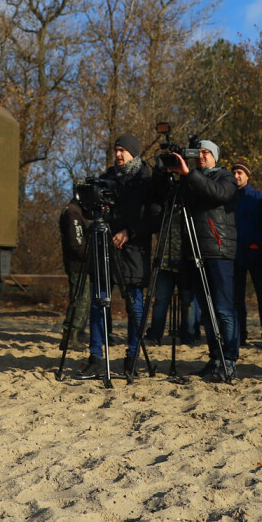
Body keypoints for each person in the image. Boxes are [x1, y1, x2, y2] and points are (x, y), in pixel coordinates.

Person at [77, 133, 159, 380]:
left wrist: (130, 231)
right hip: (105, 248)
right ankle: (96, 358)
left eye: (123, 150)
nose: (118, 155)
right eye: (116, 150)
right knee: (98, 303)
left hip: (134, 251)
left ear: (134, 153)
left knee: (134, 304)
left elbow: (155, 218)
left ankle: (132, 357)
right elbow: (90, 209)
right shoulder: (106, 179)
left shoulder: (147, 180)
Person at [162, 139, 240, 380]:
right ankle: (215, 358)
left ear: (215, 156)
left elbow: (217, 193)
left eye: (206, 153)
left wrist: (189, 174)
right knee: (206, 310)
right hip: (195, 252)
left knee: (224, 309)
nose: (202, 156)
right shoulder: (191, 180)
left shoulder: (225, 177)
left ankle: (229, 360)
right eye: (199, 153)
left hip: (218, 249)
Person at [231, 161, 262, 351]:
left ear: (248, 176)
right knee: (236, 300)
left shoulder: (259, 197)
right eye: (234, 172)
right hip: (235, 255)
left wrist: (256, 242)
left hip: (258, 255)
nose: (237, 176)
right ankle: (240, 335)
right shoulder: (228, 199)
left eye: (240, 172)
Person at [59, 199, 90, 341]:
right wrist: (92, 254)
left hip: (80, 264)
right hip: (78, 265)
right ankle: (71, 336)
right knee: (80, 300)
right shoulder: (73, 212)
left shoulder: (77, 211)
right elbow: (77, 244)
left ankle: (76, 335)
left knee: (83, 300)